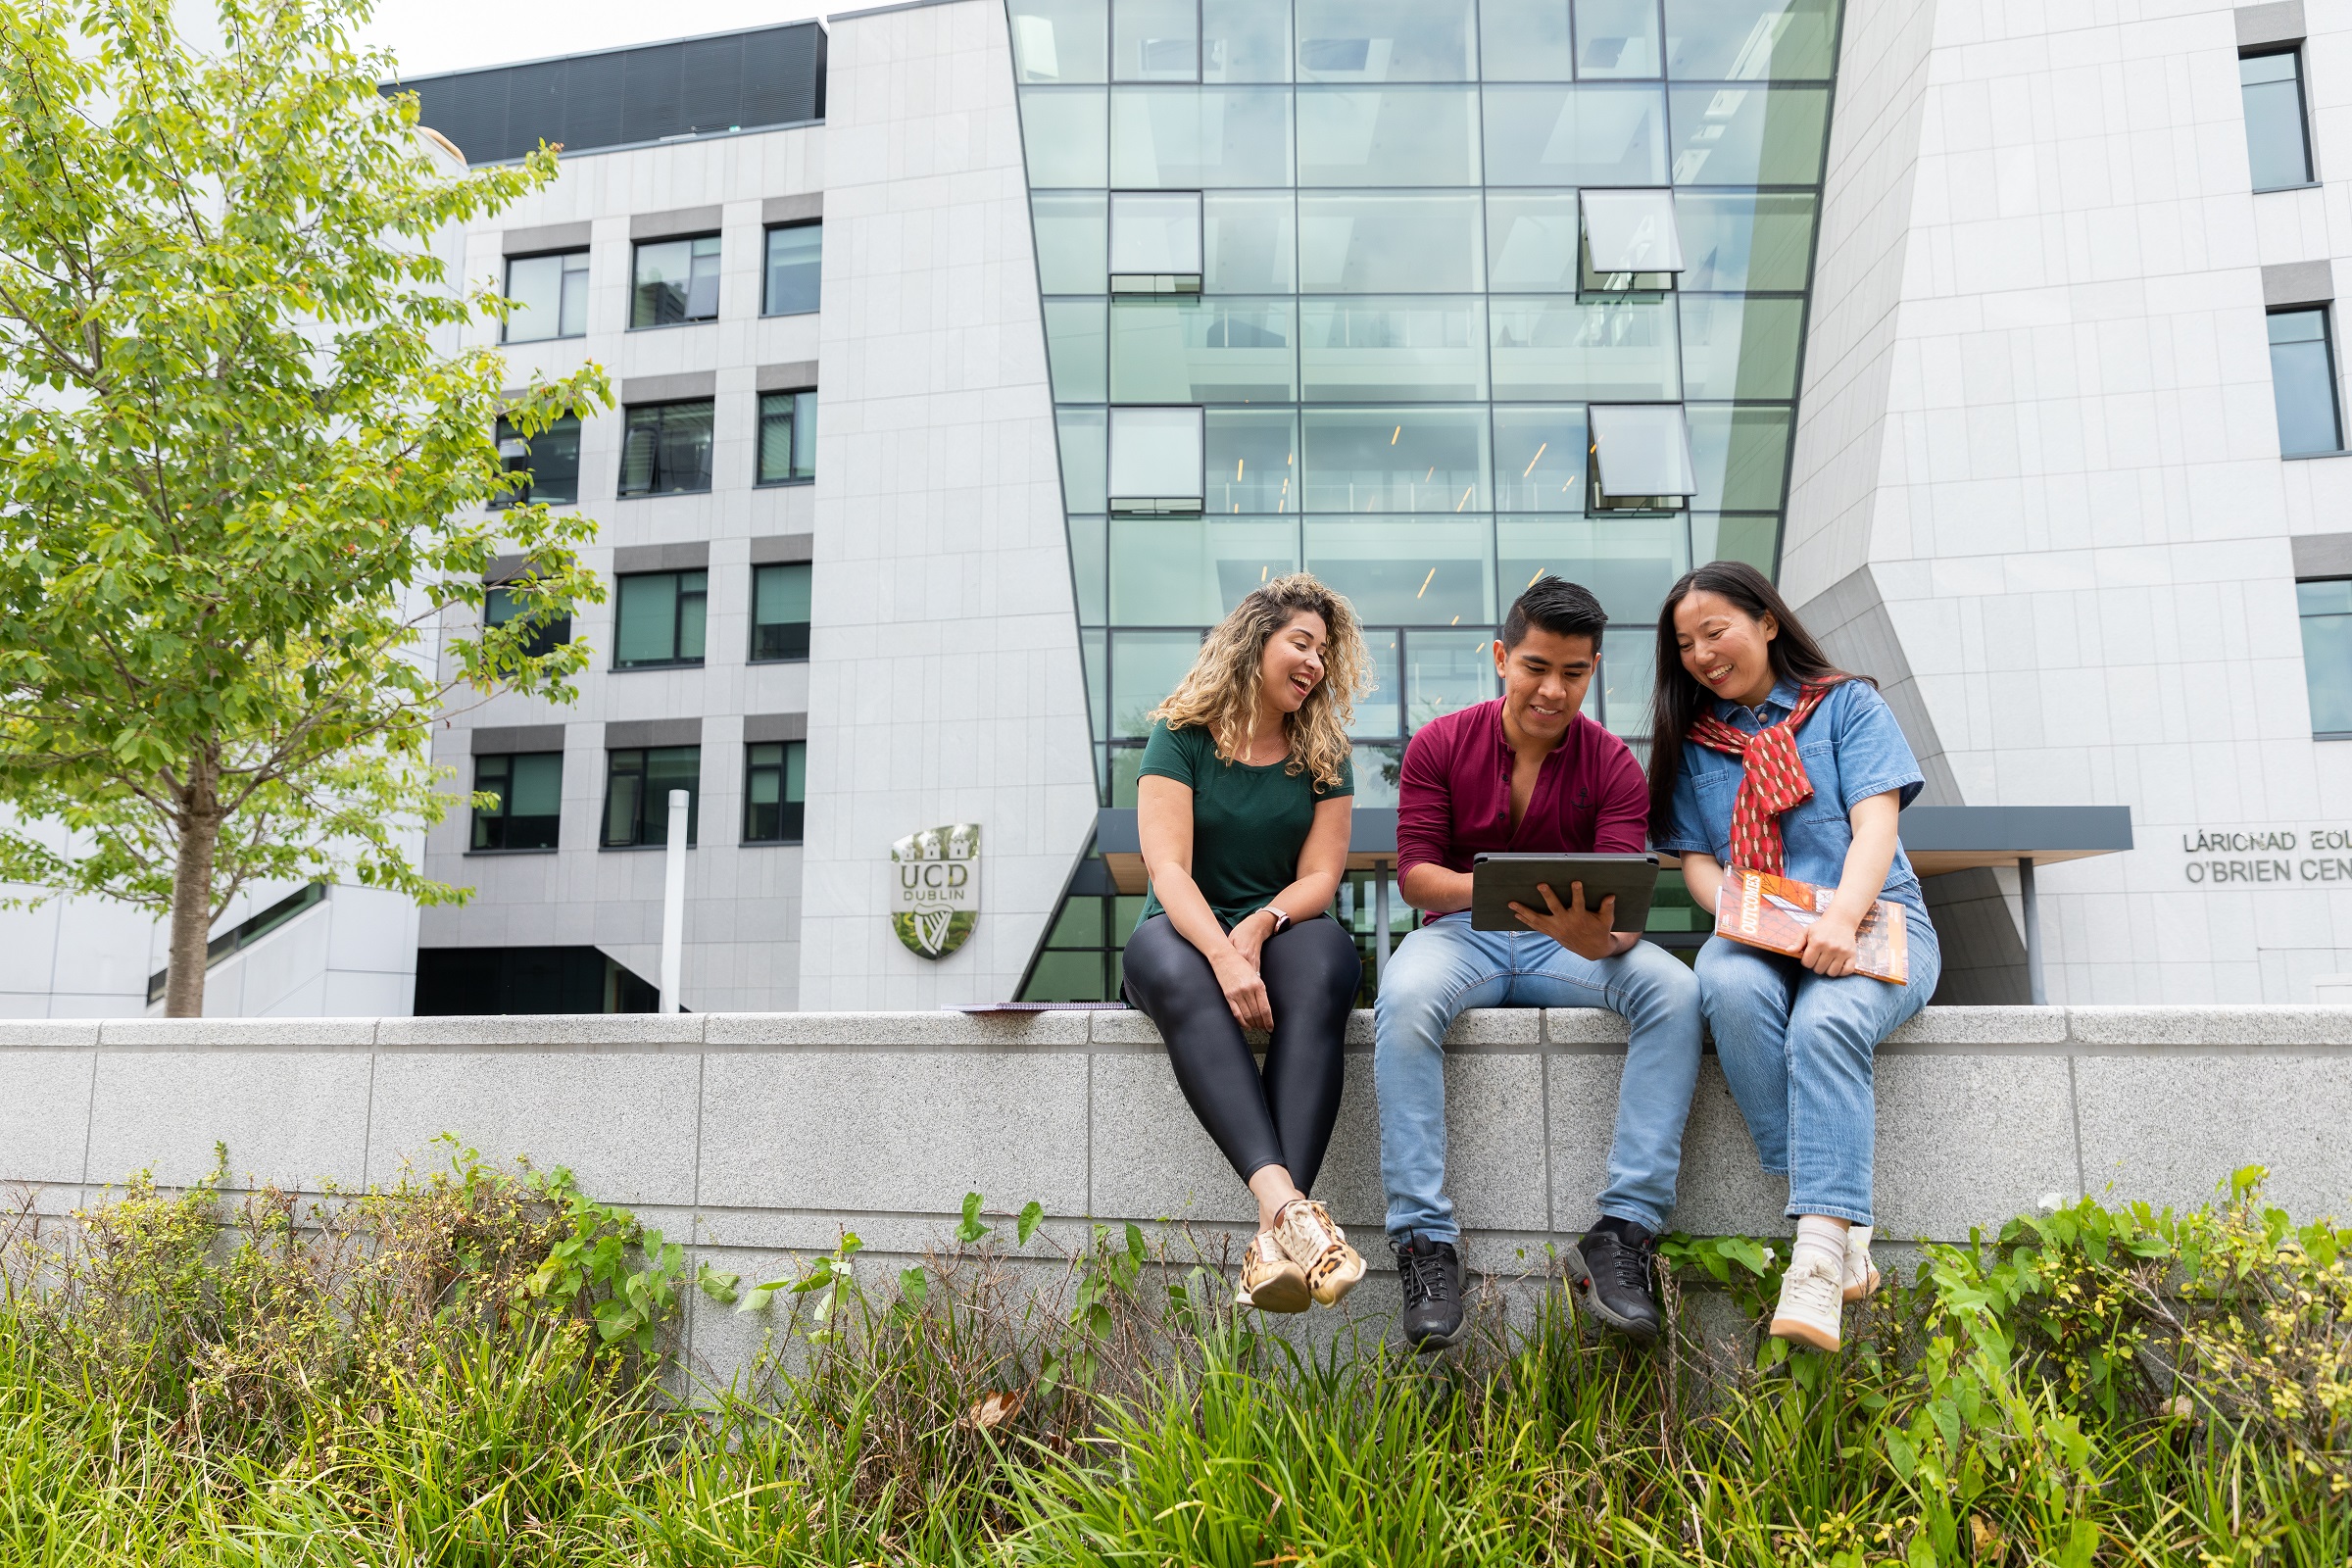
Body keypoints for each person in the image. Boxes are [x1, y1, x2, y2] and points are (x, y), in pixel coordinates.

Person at [1376, 576, 1704, 1351]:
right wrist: (1505, 888)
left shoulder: (1616, 763)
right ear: (1500, 658)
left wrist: (1606, 940)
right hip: (1461, 934)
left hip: (1571, 945)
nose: (1554, 691)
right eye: (1535, 667)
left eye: (1575, 673)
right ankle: (1425, 1246)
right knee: (1405, 996)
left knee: (1677, 991)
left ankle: (1625, 1231)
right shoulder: (1438, 744)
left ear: (1594, 670)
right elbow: (1417, 875)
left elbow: (1626, 905)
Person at [1648, 561, 1942, 1354]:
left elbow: (1875, 827)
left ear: (1767, 622)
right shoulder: (1696, 743)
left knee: (1823, 1024)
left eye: (1717, 631)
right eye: (1686, 644)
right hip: (1762, 936)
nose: (1704, 654)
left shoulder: (1846, 706)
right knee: (1720, 978)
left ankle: (1816, 1259)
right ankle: (1840, 1213)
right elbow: (1697, 861)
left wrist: (1840, 920)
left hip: (1876, 920)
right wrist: (1747, 918)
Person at [1121, 574, 1375, 1314]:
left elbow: (1321, 878)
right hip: (1179, 928)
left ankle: (1272, 1240)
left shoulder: (1323, 750)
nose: (1316, 664)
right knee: (1182, 971)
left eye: (1325, 652)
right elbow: (1166, 867)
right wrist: (1226, 955)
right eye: (1302, 643)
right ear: (1253, 640)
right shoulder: (1182, 733)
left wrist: (1262, 925)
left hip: (1279, 923)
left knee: (1330, 959)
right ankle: (1291, 1208)